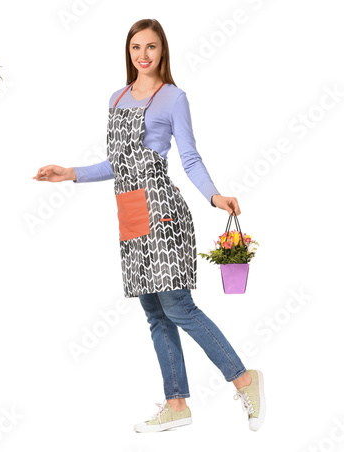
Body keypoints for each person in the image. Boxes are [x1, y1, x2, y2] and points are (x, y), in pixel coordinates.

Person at [34, 18, 265, 433]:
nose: (143, 55)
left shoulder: (173, 98)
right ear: (129, 52)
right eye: (136, 47)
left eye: (151, 47)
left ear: (163, 51)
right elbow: (116, 163)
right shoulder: (116, 98)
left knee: (179, 306)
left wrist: (214, 195)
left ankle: (245, 380)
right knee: (154, 311)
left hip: (162, 213)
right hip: (129, 212)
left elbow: (189, 157)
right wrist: (70, 172)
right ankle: (176, 403)